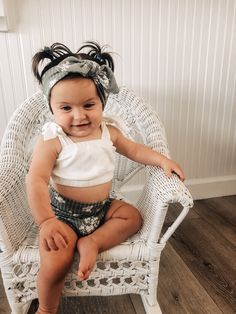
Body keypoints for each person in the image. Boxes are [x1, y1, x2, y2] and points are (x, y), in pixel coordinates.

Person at [26, 41, 185, 314]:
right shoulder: (53, 139)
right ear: (52, 108)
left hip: (101, 208)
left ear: (102, 102)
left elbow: (134, 150)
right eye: (66, 108)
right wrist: (46, 222)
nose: (79, 115)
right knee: (54, 262)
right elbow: (36, 180)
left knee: (132, 217)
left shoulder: (109, 131)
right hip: (62, 215)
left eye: (88, 104)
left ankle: (94, 241)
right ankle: (46, 308)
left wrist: (161, 159)